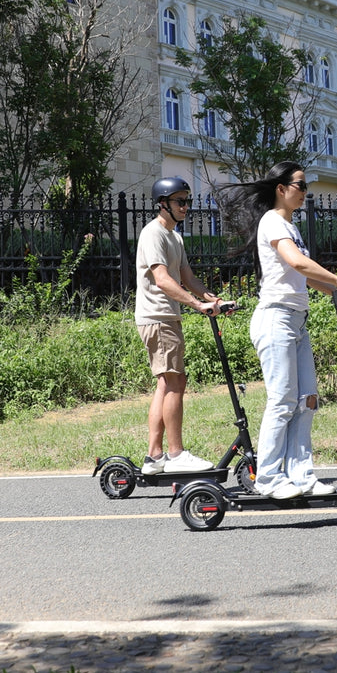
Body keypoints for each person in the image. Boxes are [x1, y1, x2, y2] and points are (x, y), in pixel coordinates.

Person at [216, 162, 337, 499]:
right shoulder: (272, 222)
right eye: (300, 186)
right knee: (282, 401)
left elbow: (301, 276)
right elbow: (295, 261)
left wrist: (335, 291)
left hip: (296, 319)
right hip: (275, 319)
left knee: (307, 399)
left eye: (306, 187)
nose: (305, 192)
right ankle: (267, 478)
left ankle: (301, 475)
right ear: (281, 188)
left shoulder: (291, 227)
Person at [135, 176, 231, 474]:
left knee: (167, 383)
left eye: (187, 201)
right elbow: (163, 279)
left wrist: (211, 298)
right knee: (176, 382)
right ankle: (175, 455)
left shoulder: (174, 237)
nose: (186, 206)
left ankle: (154, 457)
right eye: (180, 201)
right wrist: (197, 305)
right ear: (163, 204)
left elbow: (187, 277)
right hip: (158, 317)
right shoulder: (153, 234)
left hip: (166, 317)